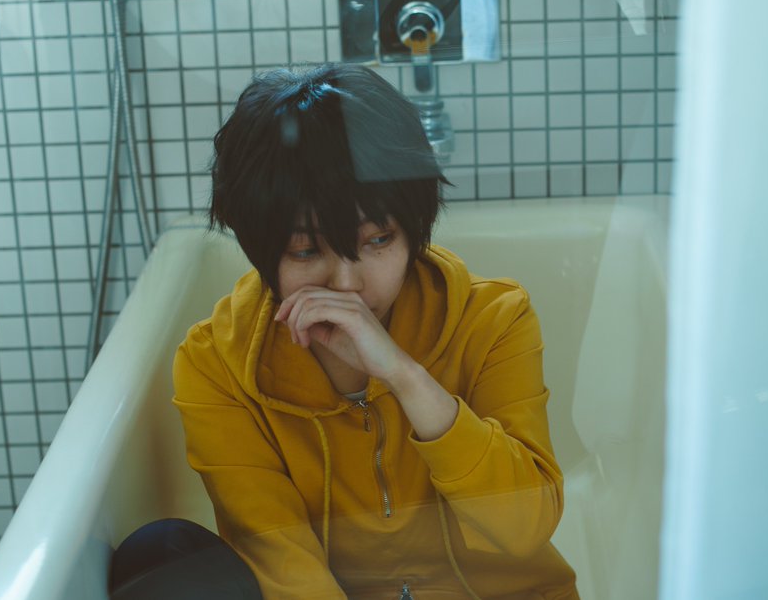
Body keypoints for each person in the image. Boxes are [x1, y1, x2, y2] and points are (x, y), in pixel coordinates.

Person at [109, 63, 579, 599]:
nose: (347, 283)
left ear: (413, 229)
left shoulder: (492, 318)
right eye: (306, 251)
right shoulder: (219, 363)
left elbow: (525, 528)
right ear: (260, 248)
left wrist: (406, 377)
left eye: (378, 240)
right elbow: (285, 564)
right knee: (159, 554)